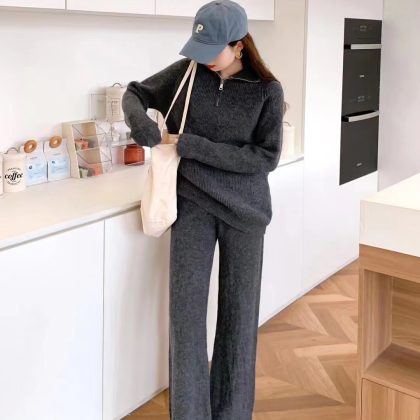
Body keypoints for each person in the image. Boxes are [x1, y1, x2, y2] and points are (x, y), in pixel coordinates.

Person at [122, 1, 284, 418]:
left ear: (240, 44)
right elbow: (135, 92)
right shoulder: (187, 73)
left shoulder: (267, 91)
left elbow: (264, 158)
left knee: (239, 319)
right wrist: (141, 123)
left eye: (215, 49)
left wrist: (192, 145)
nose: (205, 58)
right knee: (186, 317)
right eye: (200, 48)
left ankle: (232, 413)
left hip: (246, 213)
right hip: (192, 204)